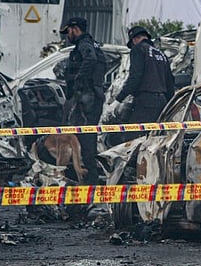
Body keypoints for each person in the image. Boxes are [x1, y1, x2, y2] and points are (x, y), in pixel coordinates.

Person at [61, 17, 107, 184]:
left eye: (68, 31)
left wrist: (79, 82)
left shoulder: (84, 44)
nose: (68, 35)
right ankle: (89, 178)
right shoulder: (95, 44)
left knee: (81, 140)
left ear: (75, 29)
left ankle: (87, 180)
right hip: (93, 97)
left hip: (85, 99)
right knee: (87, 138)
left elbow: (90, 59)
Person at [116, 26, 174, 143]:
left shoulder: (138, 50)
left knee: (132, 140)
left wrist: (118, 99)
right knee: (154, 140)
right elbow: (170, 82)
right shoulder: (161, 54)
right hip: (162, 102)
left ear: (134, 40)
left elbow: (135, 77)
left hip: (146, 101)